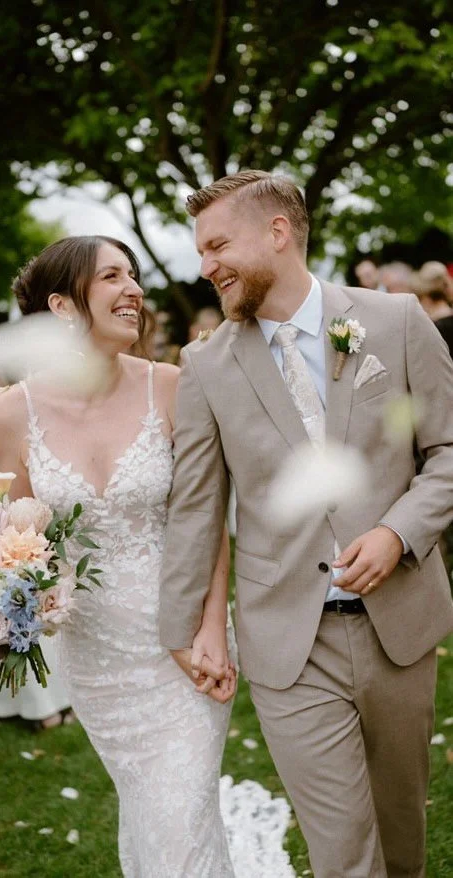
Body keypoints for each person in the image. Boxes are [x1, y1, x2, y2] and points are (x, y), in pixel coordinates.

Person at [159, 171, 453, 878]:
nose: (207, 267)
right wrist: (181, 630)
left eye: (218, 246)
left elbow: (446, 450)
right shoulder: (205, 365)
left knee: (402, 842)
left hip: (399, 629)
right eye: (201, 252)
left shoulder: (397, 322)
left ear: (278, 232)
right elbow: (196, 505)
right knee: (342, 854)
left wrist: (397, 533)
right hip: (289, 643)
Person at [0, 235, 238, 878]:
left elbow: (206, 519)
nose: (134, 290)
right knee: (154, 812)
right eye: (111, 277)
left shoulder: (171, 387)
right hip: (97, 658)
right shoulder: (12, 413)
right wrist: (7, 592)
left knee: (179, 820)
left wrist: (212, 626)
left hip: (188, 642)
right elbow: (20, 539)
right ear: (62, 305)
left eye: (133, 275)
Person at [0, 346, 72, 726]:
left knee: (24, 607)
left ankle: (50, 698)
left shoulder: (0, 422)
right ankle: (25, 705)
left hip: (11, 525)